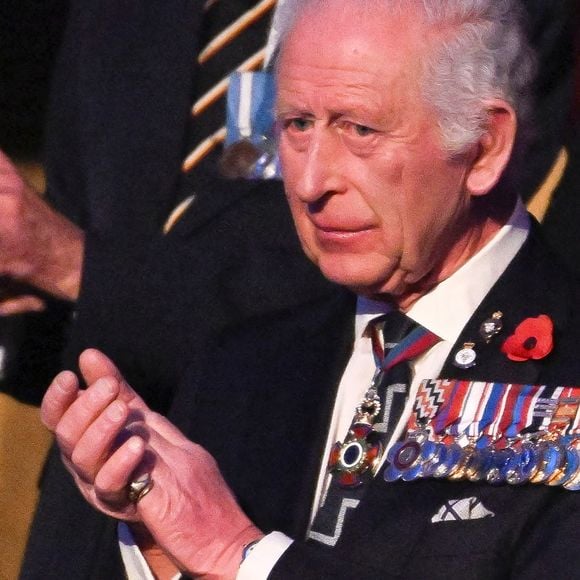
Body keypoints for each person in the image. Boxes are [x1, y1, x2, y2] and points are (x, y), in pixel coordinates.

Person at [39, 0, 580, 578]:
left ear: (483, 146)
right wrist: (162, 543)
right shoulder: (242, 366)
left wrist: (238, 555)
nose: (312, 180)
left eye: (360, 129)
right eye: (297, 125)